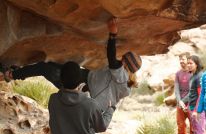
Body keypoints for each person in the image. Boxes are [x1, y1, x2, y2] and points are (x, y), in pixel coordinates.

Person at [1, 18, 142, 111]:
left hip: (80, 89)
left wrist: (112, 34)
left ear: (125, 63)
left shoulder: (121, 77)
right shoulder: (124, 83)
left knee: (45, 68)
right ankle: (18, 72)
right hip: (83, 78)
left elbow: (111, 57)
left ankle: (11, 74)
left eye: (122, 59)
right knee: (51, 64)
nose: (119, 59)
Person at [48, 61, 115, 134]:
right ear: (80, 80)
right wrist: (110, 110)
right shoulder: (90, 104)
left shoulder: (53, 100)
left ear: (61, 79)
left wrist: (77, 93)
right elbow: (101, 128)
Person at [182, 55, 206, 134]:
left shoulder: (199, 76)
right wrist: (188, 106)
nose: (188, 65)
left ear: (196, 64)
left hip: (198, 110)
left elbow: (201, 95)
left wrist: (197, 111)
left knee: (200, 133)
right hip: (192, 108)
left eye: (191, 63)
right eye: (187, 63)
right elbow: (193, 94)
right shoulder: (193, 76)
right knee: (196, 132)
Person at [174, 52, 197, 134]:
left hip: (191, 104)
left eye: (182, 59)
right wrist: (180, 101)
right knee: (180, 127)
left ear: (188, 60)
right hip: (180, 105)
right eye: (179, 59)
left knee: (193, 128)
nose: (181, 61)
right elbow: (176, 89)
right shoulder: (178, 73)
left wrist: (183, 102)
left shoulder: (193, 73)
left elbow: (192, 91)